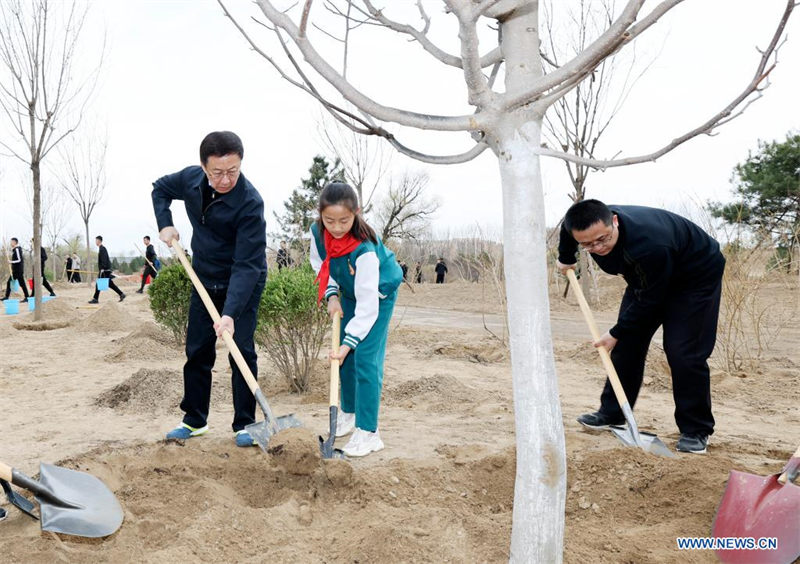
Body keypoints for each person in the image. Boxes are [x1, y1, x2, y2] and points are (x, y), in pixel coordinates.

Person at [556, 199, 725, 454]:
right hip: (647, 278)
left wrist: (616, 332)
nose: (597, 247)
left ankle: (696, 430)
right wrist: (566, 258)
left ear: (614, 221)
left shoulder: (650, 243)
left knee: (683, 353)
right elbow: (567, 235)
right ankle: (612, 413)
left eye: (603, 239)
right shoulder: (582, 226)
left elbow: (652, 300)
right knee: (626, 346)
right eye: (588, 244)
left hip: (694, 278)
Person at [152, 130, 267, 448]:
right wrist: (165, 222)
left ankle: (245, 423)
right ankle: (194, 420)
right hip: (203, 276)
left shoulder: (250, 204)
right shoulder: (189, 180)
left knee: (241, 349)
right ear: (203, 167)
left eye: (233, 170)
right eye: (218, 172)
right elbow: (159, 189)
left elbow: (247, 265)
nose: (226, 179)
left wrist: (230, 314)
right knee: (198, 350)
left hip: (241, 280)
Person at [310, 182, 403, 457]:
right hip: (348, 291)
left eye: (344, 220)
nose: (336, 227)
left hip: (377, 295)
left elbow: (367, 307)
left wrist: (349, 343)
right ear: (320, 215)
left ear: (357, 213)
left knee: (363, 358)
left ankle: (369, 432)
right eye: (329, 220)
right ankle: (348, 414)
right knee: (345, 361)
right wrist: (331, 295)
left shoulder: (365, 251)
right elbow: (320, 262)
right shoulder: (317, 232)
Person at [88, 236, 125, 304]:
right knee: (109, 284)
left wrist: (102, 268)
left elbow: (104, 260)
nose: (95, 242)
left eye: (96, 240)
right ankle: (121, 294)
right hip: (105, 270)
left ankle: (95, 299)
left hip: (104, 270)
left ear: (99, 241)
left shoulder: (102, 249)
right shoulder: (101, 249)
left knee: (99, 284)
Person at [3, 237, 30, 303]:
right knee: (9, 282)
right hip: (15, 271)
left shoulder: (17, 249)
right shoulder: (14, 250)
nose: (10, 243)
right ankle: (6, 297)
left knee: (22, 284)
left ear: (15, 242)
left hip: (18, 270)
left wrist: (11, 261)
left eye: (11, 242)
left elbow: (19, 260)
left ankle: (27, 297)